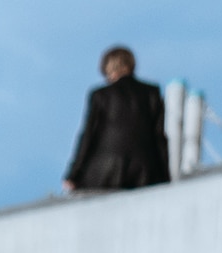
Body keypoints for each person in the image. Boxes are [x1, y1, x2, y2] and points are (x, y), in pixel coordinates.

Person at [64, 46, 172, 194]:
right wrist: (165, 176)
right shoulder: (152, 93)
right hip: (145, 169)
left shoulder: (100, 95)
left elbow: (88, 136)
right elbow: (160, 137)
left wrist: (73, 174)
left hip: (104, 171)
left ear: (109, 68)